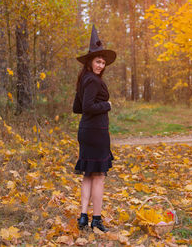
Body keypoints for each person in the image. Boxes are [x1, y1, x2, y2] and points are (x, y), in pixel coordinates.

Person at [72, 25, 116, 232]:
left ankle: (83, 217)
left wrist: (93, 105)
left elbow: (77, 108)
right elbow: (88, 107)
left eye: (103, 62)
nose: (101, 65)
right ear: (90, 61)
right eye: (98, 61)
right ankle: (96, 220)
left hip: (86, 131)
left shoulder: (83, 80)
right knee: (98, 176)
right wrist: (106, 105)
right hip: (96, 132)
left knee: (88, 175)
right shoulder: (93, 81)